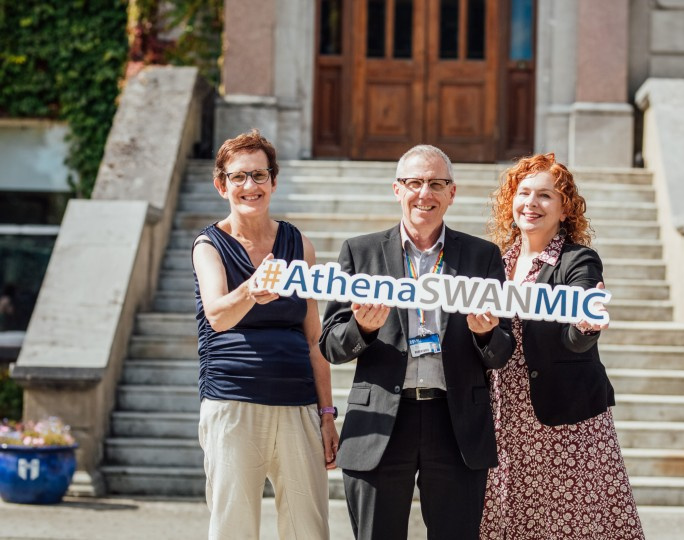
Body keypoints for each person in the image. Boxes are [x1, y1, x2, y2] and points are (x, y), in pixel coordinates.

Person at [319, 144, 515, 540]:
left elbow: (503, 350)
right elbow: (331, 345)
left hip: (456, 421)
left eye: (436, 183)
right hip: (381, 422)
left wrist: (484, 335)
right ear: (397, 189)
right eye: (414, 182)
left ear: (451, 193)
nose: (424, 193)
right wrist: (363, 328)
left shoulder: (483, 256)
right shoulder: (361, 252)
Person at [480, 153, 645, 539]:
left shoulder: (578, 260)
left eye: (544, 196)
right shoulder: (497, 262)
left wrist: (586, 326)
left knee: (571, 525)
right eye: (523, 194)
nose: (530, 204)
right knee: (510, 522)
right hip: (506, 418)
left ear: (565, 207)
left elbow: (577, 329)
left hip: (565, 422)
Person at [191, 129, 338, 540]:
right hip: (233, 403)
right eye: (238, 177)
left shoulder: (299, 245)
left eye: (259, 175)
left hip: (298, 405)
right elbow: (217, 315)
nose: (249, 186)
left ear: (274, 181)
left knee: (309, 529)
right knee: (234, 528)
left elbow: (314, 339)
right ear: (222, 185)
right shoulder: (210, 245)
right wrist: (252, 290)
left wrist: (327, 414)